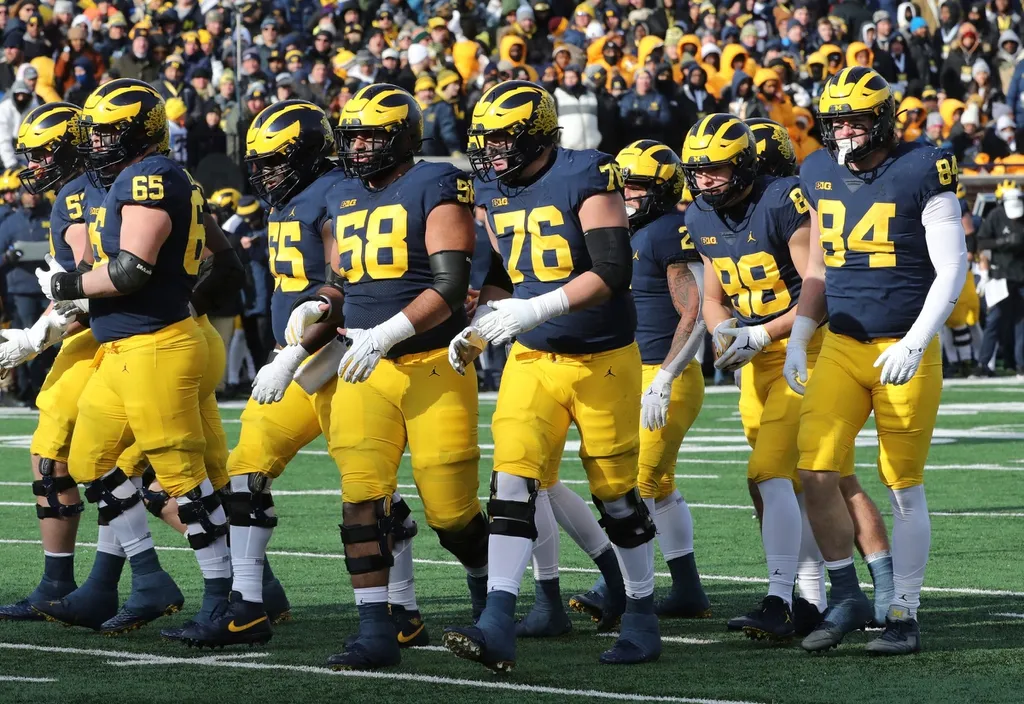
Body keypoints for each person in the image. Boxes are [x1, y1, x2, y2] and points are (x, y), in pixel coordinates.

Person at [443, 80, 660, 670]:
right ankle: (496, 620)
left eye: (503, 137)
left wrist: (535, 309)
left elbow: (612, 269)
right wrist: (484, 319)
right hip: (533, 358)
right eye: (484, 138)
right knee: (511, 481)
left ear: (538, 133)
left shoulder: (588, 172)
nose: (490, 150)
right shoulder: (490, 187)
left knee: (616, 497)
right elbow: (508, 274)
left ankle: (641, 610)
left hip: (603, 359)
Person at [33, 78, 231, 636]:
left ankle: (225, 596)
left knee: (182, 481)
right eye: (92, 131)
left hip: (158, 344)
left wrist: (69, 283)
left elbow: (130, 270)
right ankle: (148, 575)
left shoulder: (150, 176)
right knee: (90, 462)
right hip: (122, 346)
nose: (95, 141)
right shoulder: (134, 176)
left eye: (107, 131)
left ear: (141, 130)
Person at [789, 66, 967, 655]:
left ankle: (904, 610)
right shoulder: (816, 169)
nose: (843, 132)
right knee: (814, 470)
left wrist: (917, 340)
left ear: (884, 120)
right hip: (841, 342)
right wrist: (800, 332)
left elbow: (952, 267)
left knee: (903, 488)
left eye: (856, 120)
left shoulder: (921, 167)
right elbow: (818, 266)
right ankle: (848, 594)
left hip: (904, 344)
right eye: (836, 120)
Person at [682, 113, 818, 640]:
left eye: (715, 170)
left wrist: (762, 335)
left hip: (804, 346)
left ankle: (780, 600)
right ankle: (811, 599)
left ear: (743, 166)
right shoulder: (700, 216)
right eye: (697, 171)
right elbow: (713, 298)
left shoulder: (783, 199)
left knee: (770, 472)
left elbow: (816, 285)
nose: (704, 181)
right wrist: (724, 335)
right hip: (754, 359)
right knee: (776, 483)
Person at [0, 103, 91, 620]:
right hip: (134, 332)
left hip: (127, 338)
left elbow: (93, 289)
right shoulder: (109, 185)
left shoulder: (81, 195)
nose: (32, 164)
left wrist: (32, 340)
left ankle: (236, 585)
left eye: (42, 152)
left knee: (133, 473)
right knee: (57, 455)